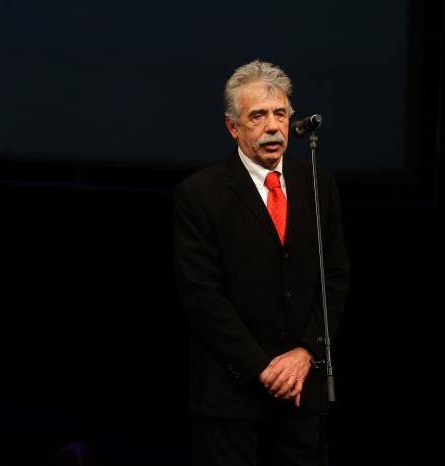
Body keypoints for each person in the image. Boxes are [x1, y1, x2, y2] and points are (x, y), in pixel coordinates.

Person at [173, 59, 350, 466]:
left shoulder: (318, 183)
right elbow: (202, 295)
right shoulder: (200, 194)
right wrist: (262, 368)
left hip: (302, 391)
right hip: (231, 397)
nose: (272, 126)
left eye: (280, 114)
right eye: (258, 116)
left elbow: (335, 277)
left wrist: (305, 351)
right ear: (233, 127)